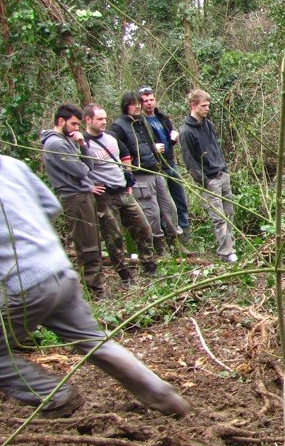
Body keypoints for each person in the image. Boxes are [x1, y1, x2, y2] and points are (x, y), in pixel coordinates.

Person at [0, 146, 189, 417]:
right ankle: (166, 397)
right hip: (60, 271)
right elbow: (51, 206)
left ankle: (52, 396)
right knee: (96, 342)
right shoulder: (11, 164)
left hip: (27, 285)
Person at [83, 103, 157, 284]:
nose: (104, 122)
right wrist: (89, 186)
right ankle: (125, 276)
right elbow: (76, 169)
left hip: (123, 190)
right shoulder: (83, 144)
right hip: (105, 196)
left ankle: (149, 266)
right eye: (100, 119)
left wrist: (128, 175)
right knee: (114, 237)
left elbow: (125, 154)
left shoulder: (111, 136)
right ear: (88, 120)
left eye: (105, 118)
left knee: (144, 227)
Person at [40, 103, 104, 295]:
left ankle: (95, 286)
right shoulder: (56, 144)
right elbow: (82, 170)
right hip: (74, 198)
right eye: (74, 124)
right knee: (87, 244)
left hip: (82, 195)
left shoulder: (67, 140)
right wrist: (83, 159)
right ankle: (93, 290)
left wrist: (83, 145)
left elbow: (89, 165)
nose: (77, 129)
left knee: (93, 241)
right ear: (61, 121)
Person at [110, 92, 183, 256]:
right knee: (152, 213)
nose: (137, 106)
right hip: (140, 175)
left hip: (155, 169)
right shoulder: (119, 127)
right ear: (125, 106)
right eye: (133, 103)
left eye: (138, 103)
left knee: (169, 208)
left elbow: (149, 143)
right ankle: (159, 248)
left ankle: (175, 244)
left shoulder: (142, 122)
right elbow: (118, 150)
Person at [180, 89, 237, 263]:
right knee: (218, 218)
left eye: (208, 106)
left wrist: (224, 168)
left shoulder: (208, 124)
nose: (207, 109)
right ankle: (225, 252)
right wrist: (204, 180)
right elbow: (189, 161)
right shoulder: (186, 132)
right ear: (193, 105)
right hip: (209, 180)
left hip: (221, 173)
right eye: (203, 106)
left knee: (229, 212)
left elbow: (215, 148)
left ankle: (231, 246)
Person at [138, 86, 193, 248]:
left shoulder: (162, 118)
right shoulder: (140, 123)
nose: (149, 103)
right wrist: (152, 148)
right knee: (165, 204)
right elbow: (139, 146)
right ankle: (169, 236)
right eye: (145, 101)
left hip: (170, 162)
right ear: (140, 104)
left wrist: (173, 138)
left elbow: (169, 136)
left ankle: (184, 233)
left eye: (151, 99)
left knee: (180, 198)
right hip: (156, 166)